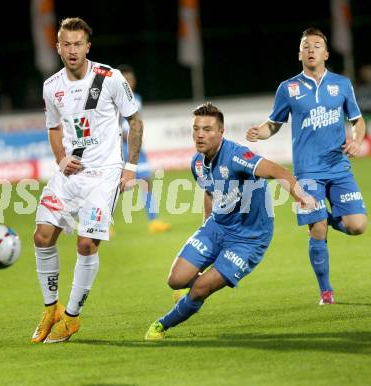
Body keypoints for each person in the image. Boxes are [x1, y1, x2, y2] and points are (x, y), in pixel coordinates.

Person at [145, 102, 315, 340]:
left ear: (221, 132)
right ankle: (193, 286)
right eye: (196, 129)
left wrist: (303, 197)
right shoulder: (197, 163)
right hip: (217, 227)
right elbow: (209, 192)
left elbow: (278, 171)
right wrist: (206, 225)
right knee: (176, 280)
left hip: (249, 239)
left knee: (200, 288)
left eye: (207, 129)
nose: (200, 134)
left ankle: (161, 325)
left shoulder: (237, 156)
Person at [32, 17, 143, 343]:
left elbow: (134, 122)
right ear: (57, 47)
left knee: (85, 243)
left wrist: (131, 168)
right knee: (42, 237)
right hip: (69, 176)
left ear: (87, 47)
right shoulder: (51, 86)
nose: (72, 50)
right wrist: (60, 159)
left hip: (104, 175)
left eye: (78, 44)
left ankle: (72, 318)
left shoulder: (110, 78)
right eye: (66, 44)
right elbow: (54, 128)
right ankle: (51, 308)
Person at [246, 27, 368, 305]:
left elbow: (358, 120)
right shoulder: (288, 88)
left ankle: (321, 216)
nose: (311, 49)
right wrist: (259, 132)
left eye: (316, 45)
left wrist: (357, 139)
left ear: (325, 53)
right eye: (305, 46)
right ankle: (326, 291)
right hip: (307, 172)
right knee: (318, 230)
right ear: (299, 53)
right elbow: (273, 125)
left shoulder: (342, 84)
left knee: (358, 225)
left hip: (339, 168)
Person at [117, 64, 171, 233]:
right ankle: (103, 222)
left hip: (136, 148)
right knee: (116, 186)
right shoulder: (113, 99)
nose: (128, 82)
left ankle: (154, 221)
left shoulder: (137, 98)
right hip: (119, 148)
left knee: (146, 182)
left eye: (130, 79)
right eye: (124, 80)